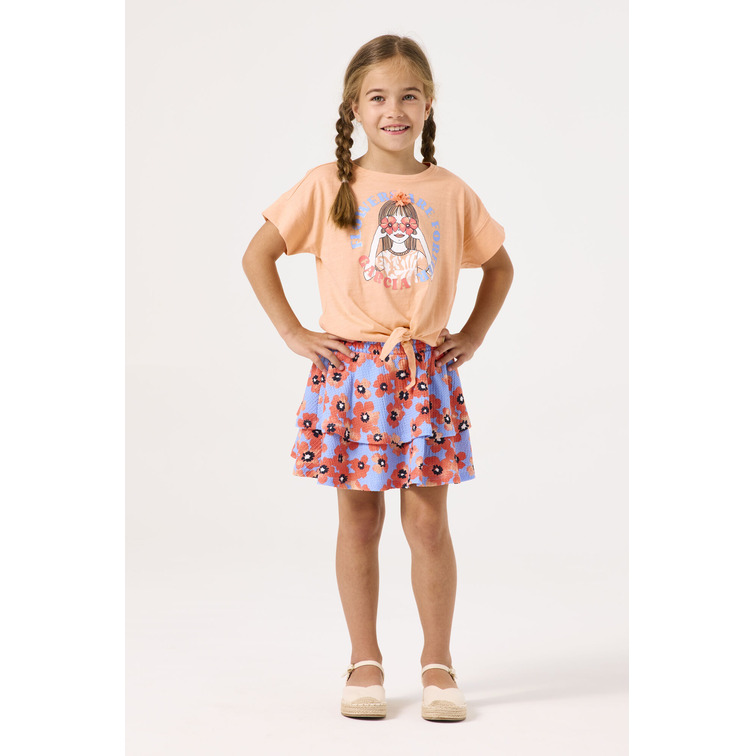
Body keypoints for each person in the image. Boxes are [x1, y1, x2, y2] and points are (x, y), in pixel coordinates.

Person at [242, 34, 514, 721]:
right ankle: (364, 661)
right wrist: (294, 333)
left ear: (429, 104)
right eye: (378, 98)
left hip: (424, 375)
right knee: (359, 520)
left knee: (428, 524)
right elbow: (257, 255)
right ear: (354, 108)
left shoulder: (450, 192)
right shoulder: (327, 185)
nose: (394, 110)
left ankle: (438, 664)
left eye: (408, 96)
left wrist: (473, 334)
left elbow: (500, 266)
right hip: (352, 378)